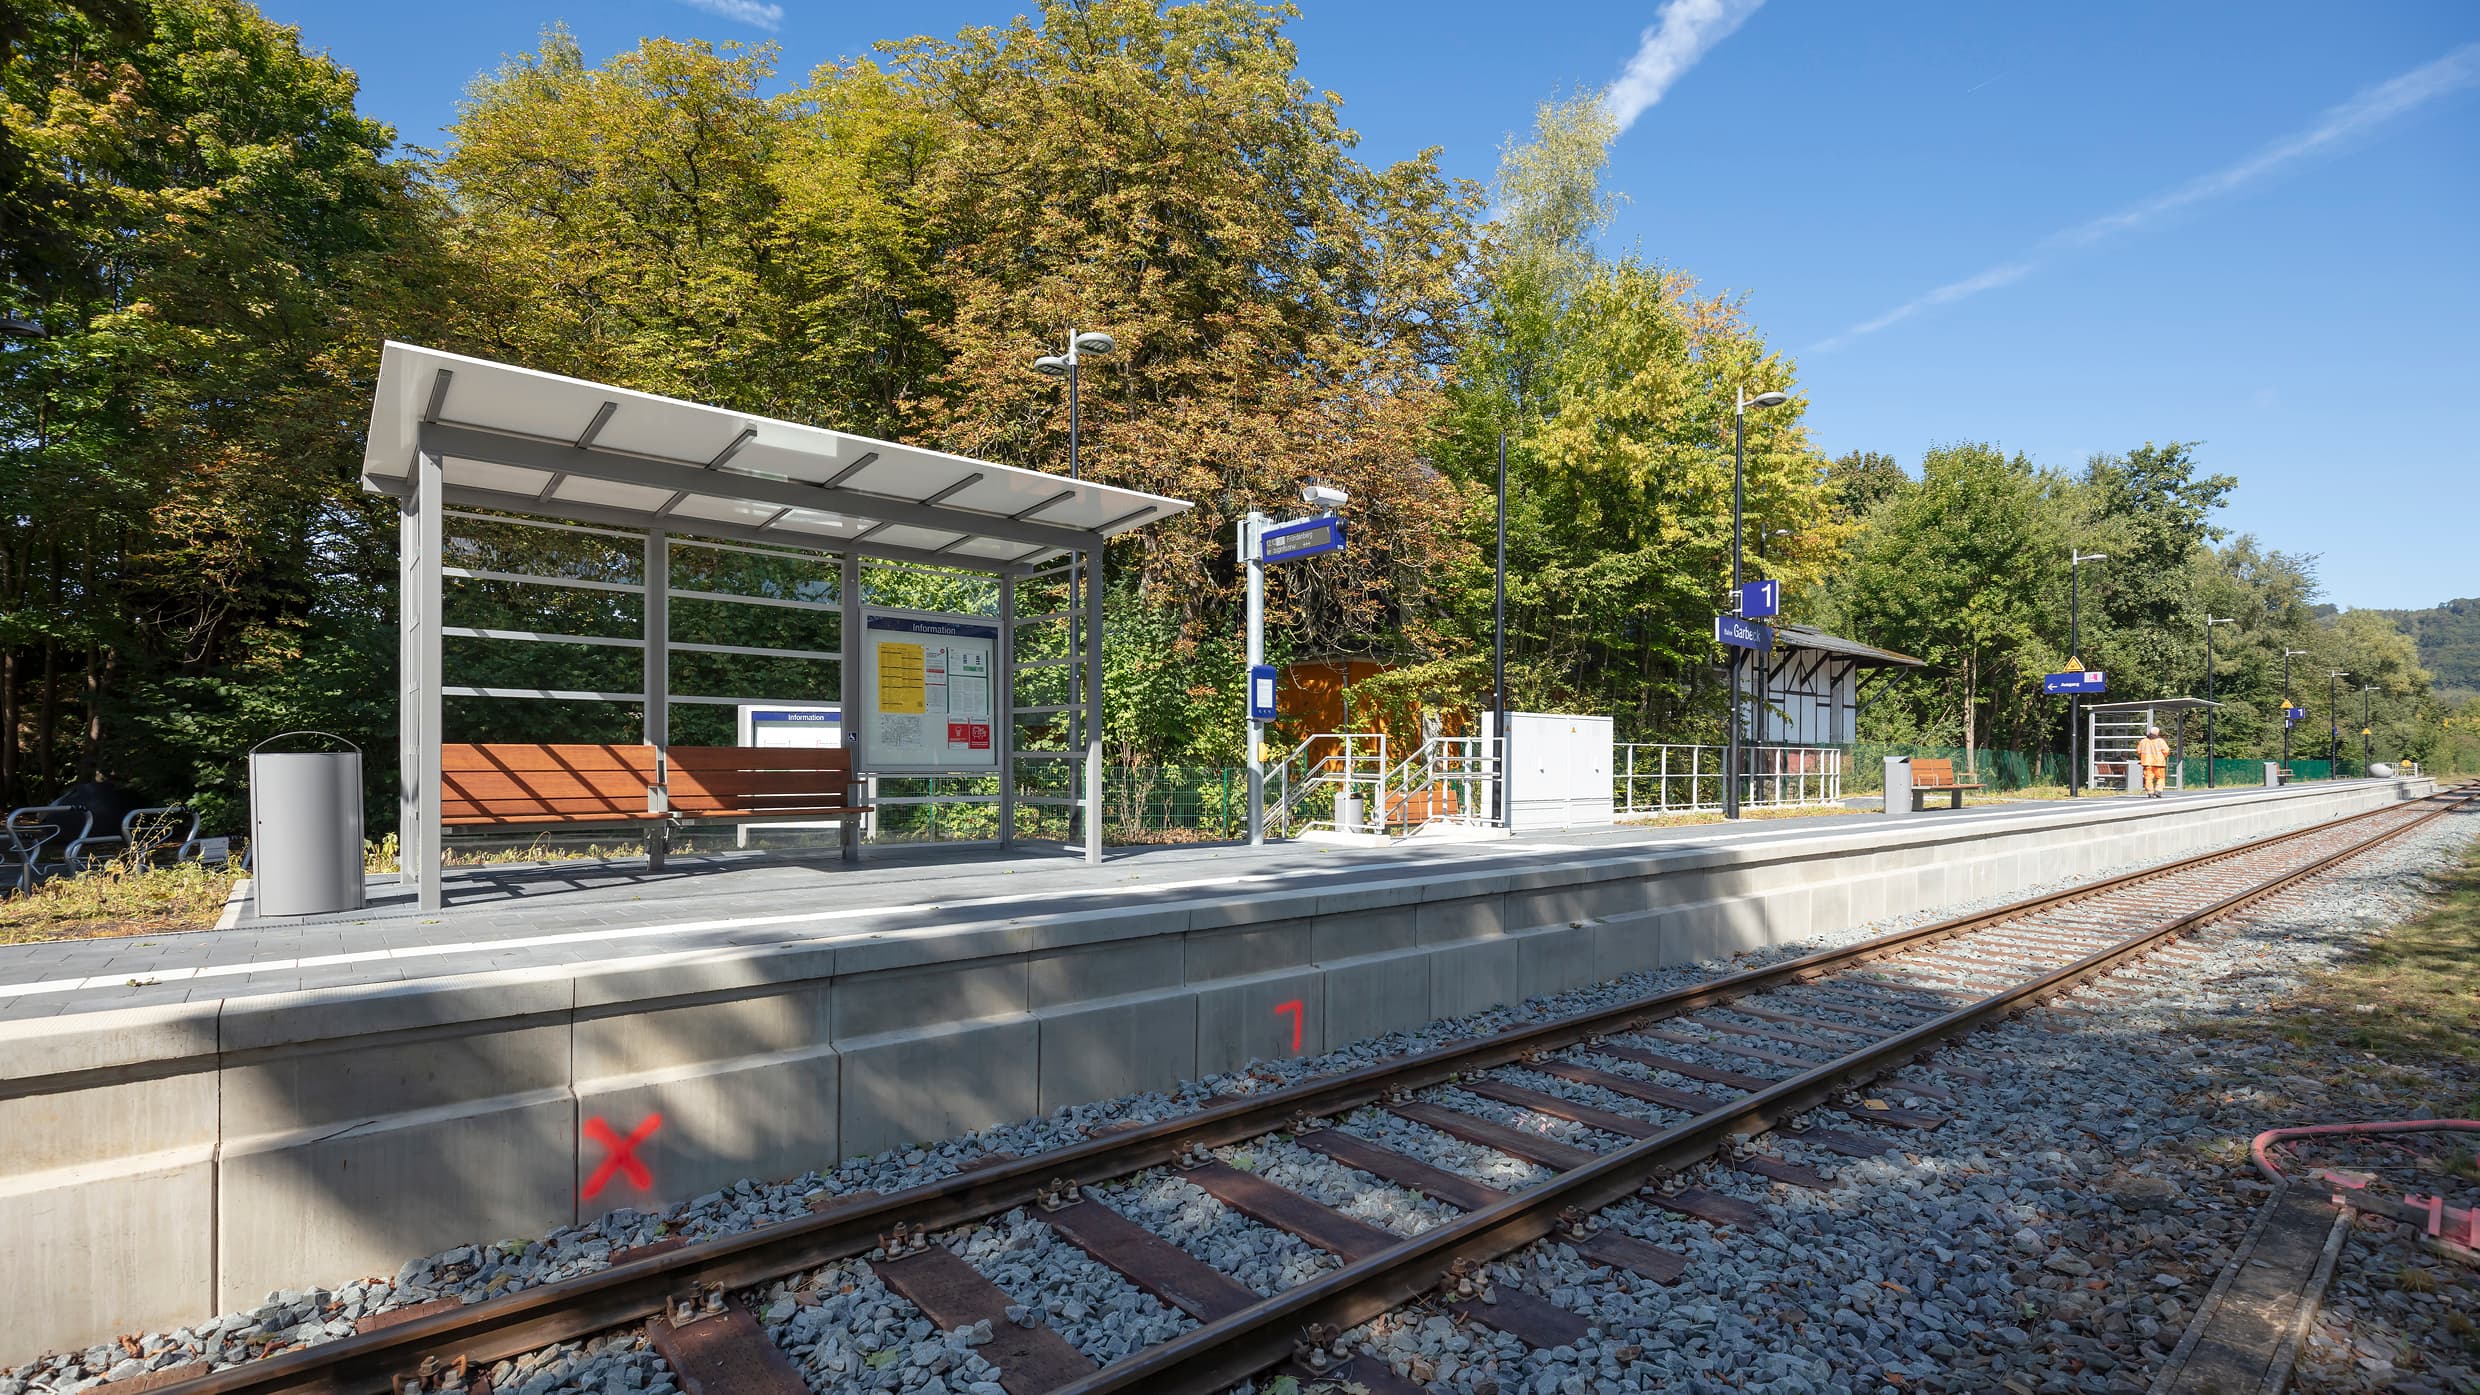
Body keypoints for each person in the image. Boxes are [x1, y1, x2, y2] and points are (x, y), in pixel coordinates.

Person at [2136, 725, 2171, 798]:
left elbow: (2139, 751)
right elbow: (2166, 750)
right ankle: (2158, 790)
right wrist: (2163, 757)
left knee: (2148, 778)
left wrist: (2143, 757)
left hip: (2147, 763)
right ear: (2157, 733)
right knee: (2160, 778)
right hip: (2159, 763)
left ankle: (2150, 792)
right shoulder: (2160, 741)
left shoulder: (2143, 741)